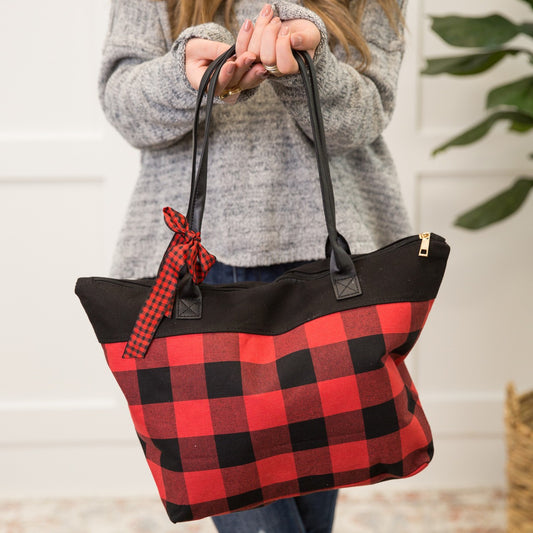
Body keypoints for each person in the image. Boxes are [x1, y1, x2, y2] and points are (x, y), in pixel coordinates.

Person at [99, 0, 410, 531]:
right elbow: (124, 105)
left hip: (329, 267)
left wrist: (310, 65)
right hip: (199, 267)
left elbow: (367, 116)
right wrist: (188, 75)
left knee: (315, 497)